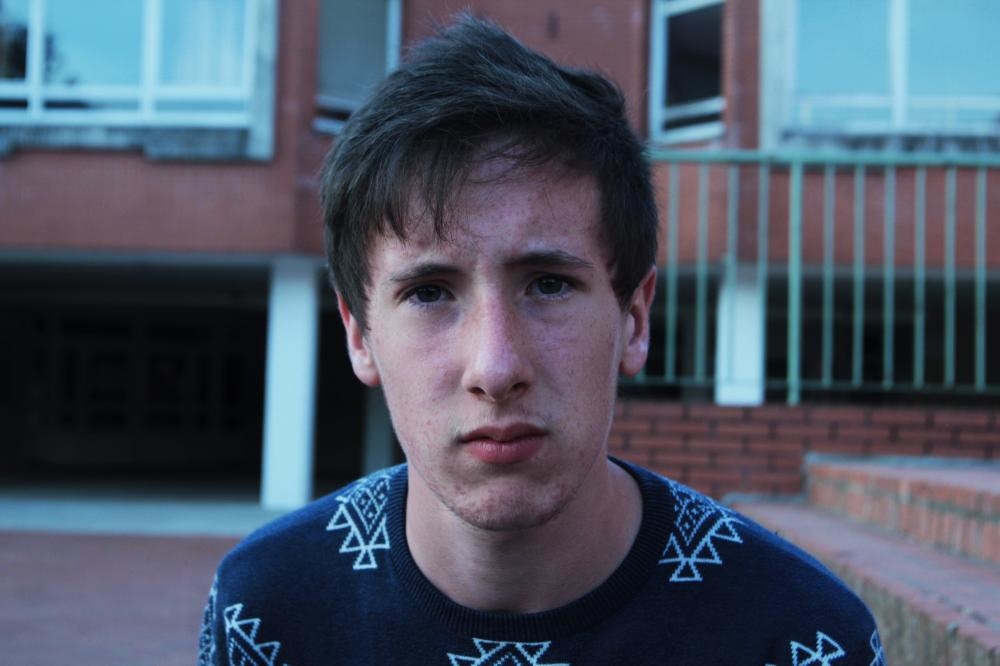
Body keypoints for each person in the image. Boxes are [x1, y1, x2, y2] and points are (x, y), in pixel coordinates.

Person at [199, 15, 883, 665]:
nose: (496, 368)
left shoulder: (801, 638)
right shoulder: (265, 616)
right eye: (430, 292)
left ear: (634, 319)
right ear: (359, 335)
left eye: (549, 284)